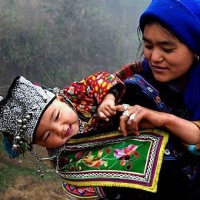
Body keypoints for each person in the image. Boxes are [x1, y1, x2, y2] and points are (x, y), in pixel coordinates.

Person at [1, 0, 200, 199]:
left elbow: (99, 82)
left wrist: (162, 119)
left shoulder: (114, 94)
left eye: (167, 49)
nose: (154, 57)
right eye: (148, 45)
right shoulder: (136, 86)